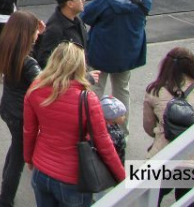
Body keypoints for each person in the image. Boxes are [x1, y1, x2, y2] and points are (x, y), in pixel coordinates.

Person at [24, 42, 125, 207]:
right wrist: (121, 177)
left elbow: (29, 131)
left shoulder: (35, 89)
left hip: (41, 170)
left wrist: (28, 158)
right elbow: (103, 143)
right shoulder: (87, 99)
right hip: (72, 178)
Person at [145, 47, 194, 206]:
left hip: (164, 158)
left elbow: (148, 128)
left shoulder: (155, 91)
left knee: (154, 195)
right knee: (187, 199)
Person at [82, 0, 153, 136]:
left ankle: (92, 132)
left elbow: (87, 16)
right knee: (122, 91)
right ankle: (121, 131)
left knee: (95, 90)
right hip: (127, 53)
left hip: (101, 51)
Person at [0, 11, 42, 207]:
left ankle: (6, 180)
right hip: (21, 114)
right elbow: (44, 84)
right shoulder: (28, 62)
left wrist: (39, 36)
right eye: (34, 31)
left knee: (16, 146)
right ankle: (5, 200)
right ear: (27, 34)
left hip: (8, 108)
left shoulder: (8, 50)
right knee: (18, 159)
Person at [35, 0, 90, 69]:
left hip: (79, 74)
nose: (83, 0)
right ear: (70, 4)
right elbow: (45, 60)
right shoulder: (54, 29)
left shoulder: (77, 20)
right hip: (66, 79)